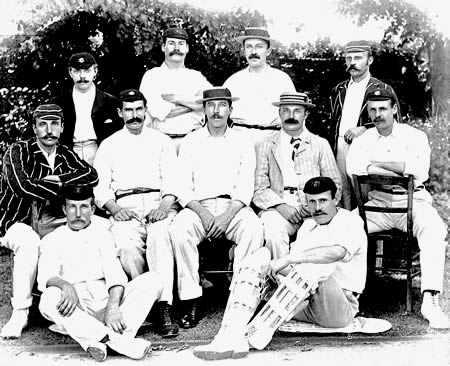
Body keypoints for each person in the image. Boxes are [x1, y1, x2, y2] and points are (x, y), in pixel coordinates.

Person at [193, 177, 367, 360]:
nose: (317, 208)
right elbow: (292, 269)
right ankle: (229, 335)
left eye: (323, 200)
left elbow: (338, 253)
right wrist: (272, 274)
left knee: (312, 267)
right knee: (259, 257)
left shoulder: (350, 221)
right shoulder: (308, 226)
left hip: (338, 307)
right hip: (305, 304)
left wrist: (288, 260)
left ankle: (260, 330)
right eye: (312, 202)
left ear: (335, 199)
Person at [346, 86, 449, 329]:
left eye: (383, 108)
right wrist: (400, 167)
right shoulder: (363, 140)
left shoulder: (415, 136)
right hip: (378, 204)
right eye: (372, 110)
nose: (378, 114)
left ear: (394, 109)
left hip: (412, 201)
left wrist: (375, 165)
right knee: (345, 226)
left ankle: (430, 301)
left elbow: (419, 171)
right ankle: (347, 298)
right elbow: (355, 168)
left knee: (434, 230)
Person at [0, 104, 98, 339]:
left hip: (54, 220)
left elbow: (91, 175)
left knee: (90, 232)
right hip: (17, 220)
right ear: (34, 127)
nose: (49, 130)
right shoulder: (17, 151)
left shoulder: (65, 153)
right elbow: (22, 186)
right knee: (29, 241)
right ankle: (20, 313)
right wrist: (62, 185)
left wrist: (56, 179)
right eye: (42, 124)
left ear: (62, 127)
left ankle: (86, 304)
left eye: (55, 124)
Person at [169, 87, 264, 329]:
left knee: (253, 228)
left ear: (231, 109)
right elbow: (182, 186)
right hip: (198, 207)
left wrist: (226, 217)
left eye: (222, 105)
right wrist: (203, 214)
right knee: (179, 230)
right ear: (204, 109)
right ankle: (191, 298)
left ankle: (241, 298)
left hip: (233, 208)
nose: (216, 110)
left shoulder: (243, 140)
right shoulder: (191, 141)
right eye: (211, 105)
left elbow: (245, 185)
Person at [93, 89, 179, 337]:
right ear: (120, 113)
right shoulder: (109, 145)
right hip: (125, 206)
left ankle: (164, 307)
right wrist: (115, 208)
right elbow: (100, 186)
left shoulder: (161, 141)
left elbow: (174, 179)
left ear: (146, 110)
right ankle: (145, 302)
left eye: (139, 109)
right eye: (128, 110)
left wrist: (164, 207)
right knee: (126, 247)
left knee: (159, 237)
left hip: (157, 202)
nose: (134, 115)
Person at [38, 184, 159, 361]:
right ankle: (116, 340)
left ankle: (95, 339)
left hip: (105, 299)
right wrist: (66, 285)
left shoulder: (104, 232)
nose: (78, 214)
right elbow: (46, 277)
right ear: (65, 209)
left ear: (93, 209)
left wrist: (113, 306)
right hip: (77, 307)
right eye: (72, 207)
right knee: (48, 298)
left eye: (84, 207)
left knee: (153, 280)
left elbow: (115, 274)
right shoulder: (52, 239)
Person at [253, 92, 341, 260]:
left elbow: (335, 185)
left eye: (297, 111)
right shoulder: (266, 145)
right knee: (273, 233)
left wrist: (314, 206)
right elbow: (259, 188)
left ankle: (306, 283)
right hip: (278, 209)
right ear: (279, 113)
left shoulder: (320, 144)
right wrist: (280, 206)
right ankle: (280, 281)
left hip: (314, 209)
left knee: (314, 240)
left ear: (306, 114)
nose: (291, 116)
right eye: (286, 110)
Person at [328, 40, 400, 209]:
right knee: (342, 188)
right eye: (349, 58)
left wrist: (365, 128)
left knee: (365, 188)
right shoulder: (339, 89)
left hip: (367, 145)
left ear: (370, 60)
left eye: (358, 58)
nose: (352, 62)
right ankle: (346, 226)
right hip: (340, 144)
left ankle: (371, 225)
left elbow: (394, 123)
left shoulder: (381, 88)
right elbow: (333, 121)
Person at [139, 27, 212, 151]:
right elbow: (157, 111)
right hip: (160, 142)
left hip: (193, 142)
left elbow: (210, 102)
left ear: (187, 48)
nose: (176, 48)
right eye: (171, 43)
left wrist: (176, 98)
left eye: (181, 44)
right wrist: (194, 105)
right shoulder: (152, 76)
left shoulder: (196, 77)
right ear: (163, 47)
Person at [223, 27, 295, 146]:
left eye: (259, 46)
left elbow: (295, 116)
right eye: (249, 47)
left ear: (268, 51)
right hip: (238, 142)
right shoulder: (233, 82)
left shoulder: (282, 80)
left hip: (273, 141)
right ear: (244, 50)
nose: (253, 52)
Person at [51, 52, 123, 165]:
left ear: (95, 71)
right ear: (70, 72)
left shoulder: (111, 102)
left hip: (100, 151)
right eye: (77, 71)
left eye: (87, 70)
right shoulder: (59, 103)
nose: (82, 76)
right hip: (70, 152)